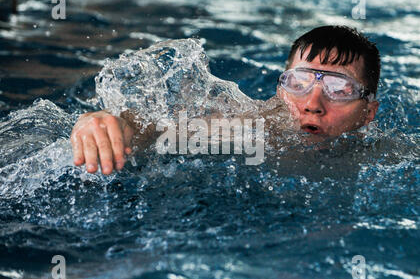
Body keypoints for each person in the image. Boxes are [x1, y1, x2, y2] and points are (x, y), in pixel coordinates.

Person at [71, 25, 380, 175]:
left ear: (368, 112)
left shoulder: (386, 158)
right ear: (279, 90)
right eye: (298, 83)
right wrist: (105, 123)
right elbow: (155, 129)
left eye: (339, 90)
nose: (313, 103)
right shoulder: (249, 128)